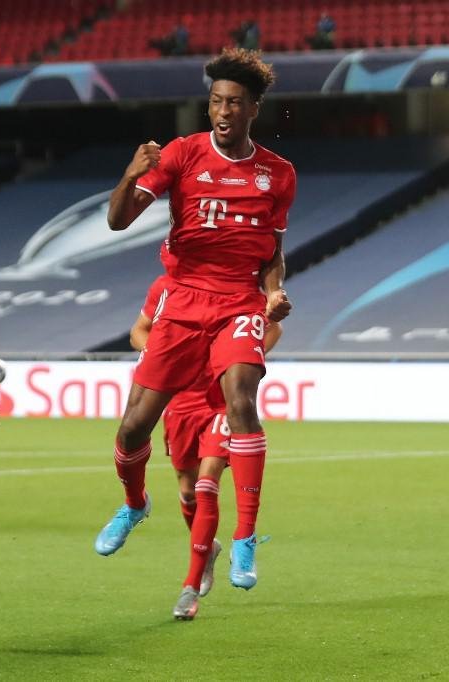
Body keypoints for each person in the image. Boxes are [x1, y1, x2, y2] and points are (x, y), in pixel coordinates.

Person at [96, 48, 295, 598]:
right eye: (215, 101)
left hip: (238, 301)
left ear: (253, 108)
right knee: (133, 426)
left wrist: (274, 293)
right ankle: (135, 504)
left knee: (240, 398)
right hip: (182, 300)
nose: (223, 111)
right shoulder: (182, 154)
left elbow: (272, 253)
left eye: (234, 102)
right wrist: (130, 174)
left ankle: (246, 537)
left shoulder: (277, 175)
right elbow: (117, 222)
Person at [131, 274, 283, 620]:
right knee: (187, 493)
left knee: (206, 482)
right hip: (180, 405)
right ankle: (209, 549)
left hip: (216, 404)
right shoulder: (167, 287)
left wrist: (238, 359)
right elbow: (138, 331)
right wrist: (165, 353)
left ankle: (190, 584)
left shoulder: (241, 292)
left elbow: (272, 328)